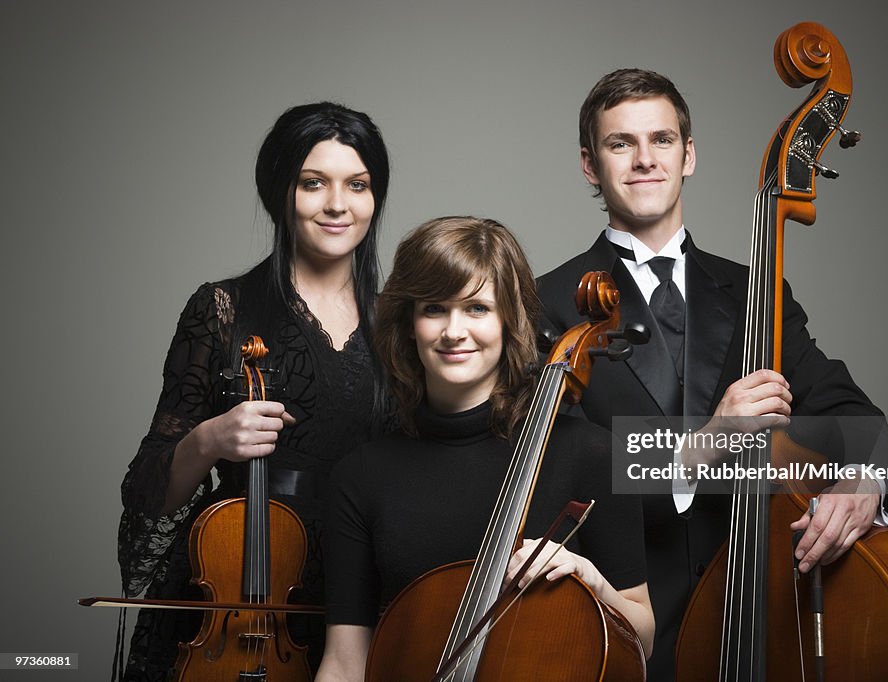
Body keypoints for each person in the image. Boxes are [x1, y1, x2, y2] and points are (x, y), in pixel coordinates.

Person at [537, 68, 888, 680]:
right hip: (617, 626)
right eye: (619, 143)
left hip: (756, 610)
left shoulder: (755, 290)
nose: (643, 160)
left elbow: (844, 407)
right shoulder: (546, 301)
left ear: (689, 155)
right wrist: (706, 442)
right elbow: (555, 472)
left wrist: (866, 479)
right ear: (589, 163)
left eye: (661, 140)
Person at [117, 101, 393, 680]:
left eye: (359, 185)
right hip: (240, 591)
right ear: (279, 192)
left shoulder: (402, 325)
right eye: (313, 183)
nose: (338, 205)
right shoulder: (222, 309)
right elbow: (146, 490)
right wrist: (209, 439)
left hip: (367, 594)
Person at [316, 216, 654, 681]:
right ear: (409, 324)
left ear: (509, 321)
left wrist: (589, 579)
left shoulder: (591, 452)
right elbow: (344, 661)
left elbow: (644, 637)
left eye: (477, 308)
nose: (454, 331)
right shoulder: (361, 476)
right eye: (434, 308)